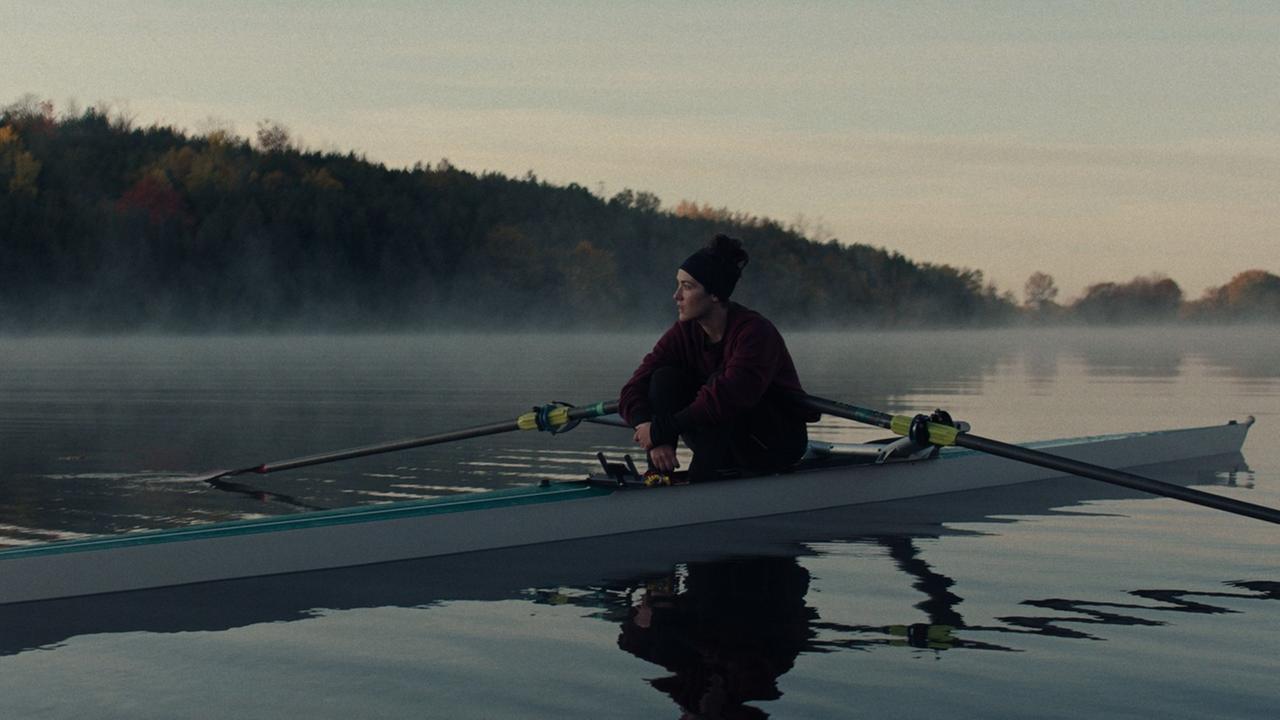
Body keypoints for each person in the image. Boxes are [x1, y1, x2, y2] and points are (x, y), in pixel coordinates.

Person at [619, 234, 815, 483]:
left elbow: (725, 399)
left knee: (717, 386)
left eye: (687, 287)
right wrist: (651, 434)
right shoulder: (684, 332)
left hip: (773, 443)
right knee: (664, 378)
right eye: (678, 285)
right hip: (722, 437)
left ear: (715, 294)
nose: (676, 295)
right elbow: (633, 388)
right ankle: (658, 476)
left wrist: (660, 430)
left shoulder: (755, 332)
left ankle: (702, 487)